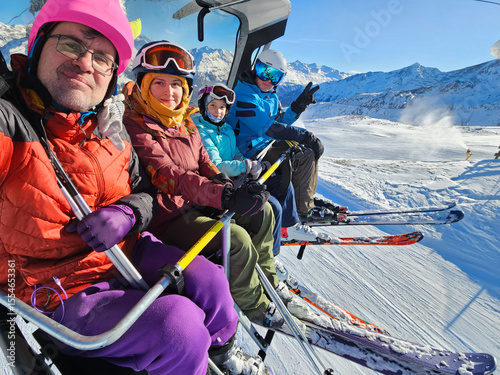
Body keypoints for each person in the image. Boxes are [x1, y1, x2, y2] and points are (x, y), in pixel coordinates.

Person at [0, 1, 269, 374]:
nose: (85, 63)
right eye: (70, 44)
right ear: (38, 45)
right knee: (180, 327)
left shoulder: (110, 129)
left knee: (210, 281)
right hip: (56, 283)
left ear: (111, 76)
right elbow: (167, 175)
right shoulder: (11, 123)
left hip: (128, 250)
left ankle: (224, 354)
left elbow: (146, 187)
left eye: (102, 58)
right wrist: (220, 195)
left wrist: (129, 212)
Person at [122, 41, 296, 331]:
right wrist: (224, 195)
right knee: (237, 239)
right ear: (143, 84)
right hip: (170, 215)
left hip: (199, 201)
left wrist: (229, 185)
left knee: (263, 213)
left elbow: (205, 161)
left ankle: (268, 280)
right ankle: (252, 303)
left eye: (176, 84)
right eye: (159, 83)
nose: (169, 92)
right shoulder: (136, 125)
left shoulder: (184, 120)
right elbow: (168, 175)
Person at [194, 83, 329, 255]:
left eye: (222, 107)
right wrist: (246, 166)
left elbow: (235, 153)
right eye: (213, 105)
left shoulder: (226, 127)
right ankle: (269, 256)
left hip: (238, 176)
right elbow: (217, 166)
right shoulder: (201, 130)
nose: (218, 111)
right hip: (222, 182)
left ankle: (291, 225)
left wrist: (251, 164)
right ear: (203, 106)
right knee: (271, 206)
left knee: (280, 183)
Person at [226, 49, 348, 224]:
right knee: (296, 157)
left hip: (263, 146)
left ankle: (305, 199)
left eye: (276, 77)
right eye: (264, 72)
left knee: (305, 154)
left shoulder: (270, 96)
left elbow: (280, 122)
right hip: (246, 152)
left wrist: (297, 107)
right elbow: (268, 128)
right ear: (255, 69)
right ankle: (303, 211)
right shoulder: (244, 94)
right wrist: (305, 136)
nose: (269, 80)